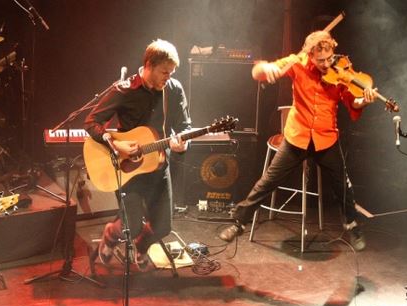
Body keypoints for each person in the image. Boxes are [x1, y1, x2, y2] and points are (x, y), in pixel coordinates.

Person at [218, 30, 377, 248]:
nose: (326, 64)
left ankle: (352, 225)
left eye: (329, 58)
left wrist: (363, 101)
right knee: (269, 181)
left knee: (342, 185)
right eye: (320, 60)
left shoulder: (340, 72)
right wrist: (268, 69)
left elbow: (353, 102)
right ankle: (239, 222)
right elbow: (258, 72)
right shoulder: (297, 63)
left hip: (326, 137)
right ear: (310, 55)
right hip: (298, 135)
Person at [85, 38, 191, 271]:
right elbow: (91, 122)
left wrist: (182, 144)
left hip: (158, 167)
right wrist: (115, 144)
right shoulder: (124, 90)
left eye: (172, 72)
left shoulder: (173, 90)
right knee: (130, 225)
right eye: (164, 71)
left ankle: (141, 247)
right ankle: (110, 236)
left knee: (163, 227)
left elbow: (185, 127)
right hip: (127, 167)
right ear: (150, 65)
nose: (168, 77)